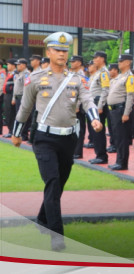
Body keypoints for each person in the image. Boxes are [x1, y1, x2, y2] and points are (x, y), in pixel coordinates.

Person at [11, 32, 103, 251]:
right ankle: (57, 235)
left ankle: (42, 218)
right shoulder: (34, 78)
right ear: (49, 52)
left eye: (65, 50)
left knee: (58, 184)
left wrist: (95, 119)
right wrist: (16, 133)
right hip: (44, 138)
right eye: (57, 50)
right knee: (52, 181)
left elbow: (88, 101)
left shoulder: (77, 79)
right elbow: (24, 108)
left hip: (68, 138)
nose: (62, 54)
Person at [102, 55, 134, 171]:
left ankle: (122, 163)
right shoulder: (119, 77)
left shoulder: (129, 77)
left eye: (121, 61)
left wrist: (126, 113)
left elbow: (130, 96)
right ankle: (118, 161)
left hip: (121, 110)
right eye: (119, 61)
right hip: (113, 110)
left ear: (128, 63)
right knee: (116, 137)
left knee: (122, 138)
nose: (119, 63)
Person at [88, 51, 110, 164]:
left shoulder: (104, 73)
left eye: (96, 58)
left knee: (98, 130)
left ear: (102, 59)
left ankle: (102, 156)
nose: (94, 60)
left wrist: (100, 106)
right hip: (94, 102)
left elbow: (105, 90)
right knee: (95, 131)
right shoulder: (98, 72)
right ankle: (99, 154)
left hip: (98, 103)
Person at [70, 55, 87, 159]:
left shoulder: (81, 75)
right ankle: (74, 150)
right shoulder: (73, 74)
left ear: (79, 63)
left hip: (78, 106)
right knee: (73, 129)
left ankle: (78, 152)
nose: (72, 63)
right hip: (72, 105)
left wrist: (77, 105)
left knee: (79, 129)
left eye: (74, 61)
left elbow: (83, 92)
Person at [12, 58, 31, 141]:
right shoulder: (19, 74)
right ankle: (19, 133)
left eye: (19, 64)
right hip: (17, 97)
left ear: (23, 65)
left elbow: (26, 87)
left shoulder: (26, 74)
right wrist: (13, 98)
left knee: (24, 116)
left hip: (22, 98)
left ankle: (24, 134)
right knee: (18, 116)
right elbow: (16, 88)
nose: (17, 66)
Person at [2, 59, 17, 138]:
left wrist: (13, 98)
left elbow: (15, 87)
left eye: (8, 64)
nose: (7, 66)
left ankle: (12, 131)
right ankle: (10, 130)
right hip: (6, 95)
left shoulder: (15, 74)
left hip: (10, 95)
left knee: (11, 114)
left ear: (13, 65)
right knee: (7, 113)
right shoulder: (9, 73)